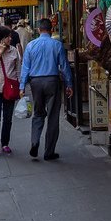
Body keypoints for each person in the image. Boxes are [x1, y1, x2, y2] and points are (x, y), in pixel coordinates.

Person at [20, 17, 73, 161]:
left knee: (38, 114)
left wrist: (22, 86)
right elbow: (64, 66)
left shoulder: (31, 46)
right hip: (52, 81)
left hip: (35, 83)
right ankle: (49, 151)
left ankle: (35, 142)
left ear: (38, 30)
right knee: (53, 116)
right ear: (52, 30)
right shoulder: (57, 45)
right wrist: (69, 84)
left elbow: (25, 68)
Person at [0, 25, 22, 157]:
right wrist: (0, 52)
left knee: (7, 118)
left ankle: (5, 143)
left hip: (10, 88)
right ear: (1, 38)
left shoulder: (14, 51)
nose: (10, 39)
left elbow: (18, 69)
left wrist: (21, 87)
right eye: (7, 36)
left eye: (10, 36)